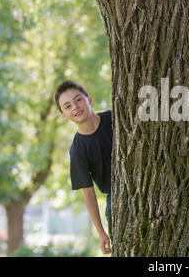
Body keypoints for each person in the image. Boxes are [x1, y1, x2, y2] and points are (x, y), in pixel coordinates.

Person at [53, 80, 112, 255]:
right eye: (68, 106)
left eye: (78, 100)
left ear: (89, 99)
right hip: (116, 195)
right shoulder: (77, 151)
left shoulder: (114, 118)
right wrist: (101, 232)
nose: (75, 107)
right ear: (64, 115)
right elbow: (88, 192)